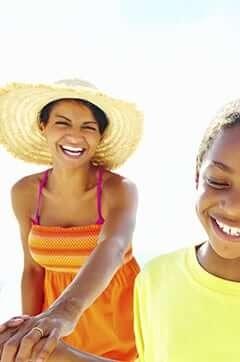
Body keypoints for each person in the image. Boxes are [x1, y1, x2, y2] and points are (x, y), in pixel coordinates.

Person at [1, 95, 240, 362]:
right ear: (196, 175)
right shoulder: (156, 279)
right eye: (218, 181)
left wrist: (63, 315)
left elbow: (112, 247)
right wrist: (43, 347)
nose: (233, 206)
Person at [0, 79, 143, 361]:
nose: (75, 136)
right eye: (62, 123)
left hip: (120, 324)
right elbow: (33, 270)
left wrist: (65, 312)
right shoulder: (25, 193)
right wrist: (29, 331)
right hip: (57, 326)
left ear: (100, 136)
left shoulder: (119, 189)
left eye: (88, 127)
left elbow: (113, 248)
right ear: (44, 126)